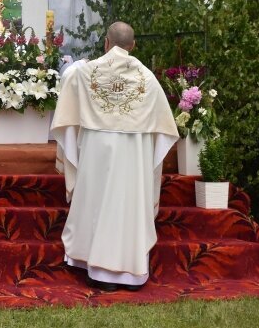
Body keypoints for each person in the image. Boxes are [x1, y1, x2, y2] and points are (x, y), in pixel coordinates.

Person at [50, 22, 178, 292]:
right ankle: (132, 275)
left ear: (106, 42)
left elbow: (66, 113)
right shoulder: (148, 78)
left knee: (97, 202)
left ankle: (97, 271)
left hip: (97, 151)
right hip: (135, 154)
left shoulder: (83, 72)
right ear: (133, 46)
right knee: (130, 204)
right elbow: (164, 130)